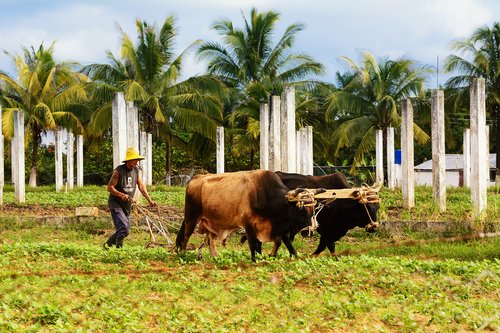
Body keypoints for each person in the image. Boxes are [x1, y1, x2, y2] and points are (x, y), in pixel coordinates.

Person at [103, 147, 156, 249]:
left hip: (127, 204)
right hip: (116, 203)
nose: (136, 162)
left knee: (125, 231)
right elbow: (109, 188)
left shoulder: (136, 171)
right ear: (129, 160)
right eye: (134, 159)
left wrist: (150, 200)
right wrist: (121, 195)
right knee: (123, 228)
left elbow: (141, 186)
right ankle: (119, 250)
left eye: (137, 160)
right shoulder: (118, 171)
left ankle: (107, 245)